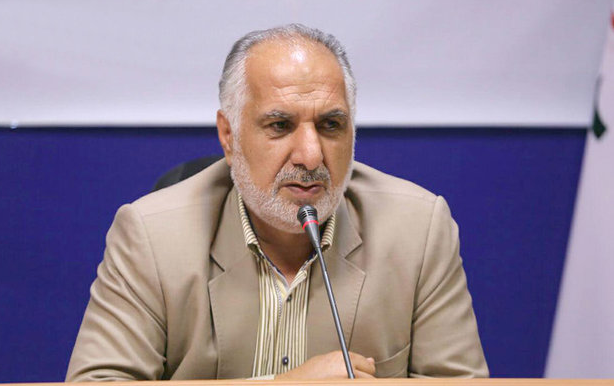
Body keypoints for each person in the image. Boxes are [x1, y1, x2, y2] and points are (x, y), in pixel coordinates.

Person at [66, 24, 488, 381]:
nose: (311, 156)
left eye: (331, 125)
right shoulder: (152, 236)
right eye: (280, 125)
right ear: (229, 136)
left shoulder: (418, 230)